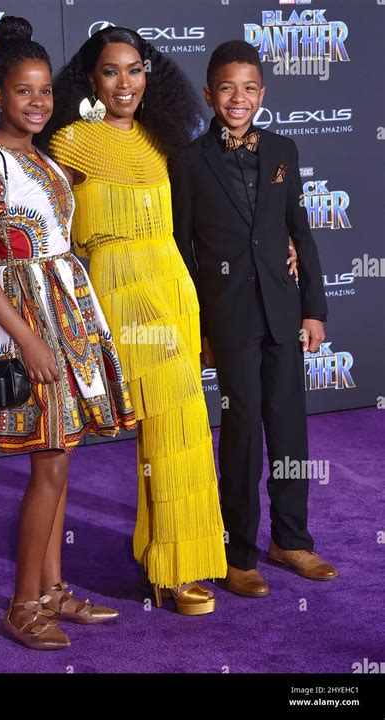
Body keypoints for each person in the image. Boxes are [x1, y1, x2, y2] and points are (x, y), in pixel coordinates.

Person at [0, 16, 136, 649]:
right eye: (23, 91)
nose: (37, 103)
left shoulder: (45, 159)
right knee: (49, 466)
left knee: (60, 462)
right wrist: (29, 340)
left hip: (68, 319)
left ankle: (53, 591)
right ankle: (23, 606)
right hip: (24, 328)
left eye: (45, 92)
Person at [38, 27, 229, 615]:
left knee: (182, 425)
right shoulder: (71, 142)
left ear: (151, 76)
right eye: (111, 72)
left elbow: (197, 221)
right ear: (90, 81)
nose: (125, 83)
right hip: (120, 292)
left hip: (172, 284)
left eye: (135, 70)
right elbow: (43, 227)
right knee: (170, 419)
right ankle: (170, 570)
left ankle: (168, 559)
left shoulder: (163, 140)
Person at [169, 40, 339, 599]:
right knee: (240, 435)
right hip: (230, 319)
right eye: (226, 87)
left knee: (289, 428)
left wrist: (313, 308)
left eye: (248, 88)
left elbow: (301, 233)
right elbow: (183, 251)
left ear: (262, 93)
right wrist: (202, 329)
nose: (237, 98)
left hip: (283, 313)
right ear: (208, 94)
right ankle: (238, 551)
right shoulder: (189, 163)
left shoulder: (284, 151)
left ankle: (290, 539)